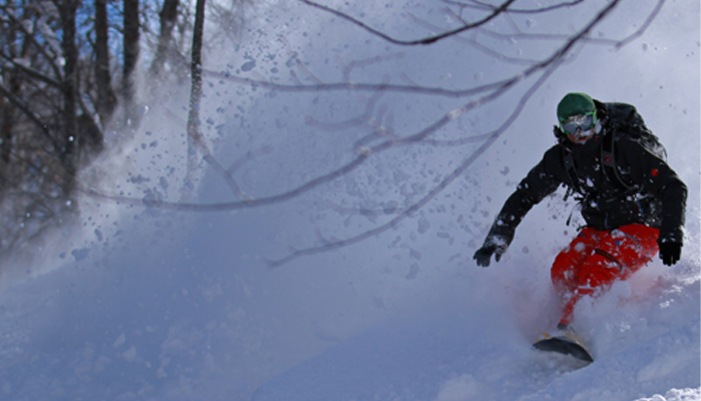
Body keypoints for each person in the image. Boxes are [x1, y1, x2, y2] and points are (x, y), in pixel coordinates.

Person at [473, 92, 687, 331]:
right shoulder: (561, 159)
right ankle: (563, 320)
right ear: (562, 128)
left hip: (643, 227)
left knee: (598, 268)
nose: (579, 132)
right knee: (563, 270)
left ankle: (575, 330)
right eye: (570, 125)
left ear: (595, 118)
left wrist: (671, 231)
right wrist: (498, 237)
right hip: (601, 227)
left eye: (584, 122)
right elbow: (525, 194)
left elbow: (673, 186)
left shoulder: (623, 148)